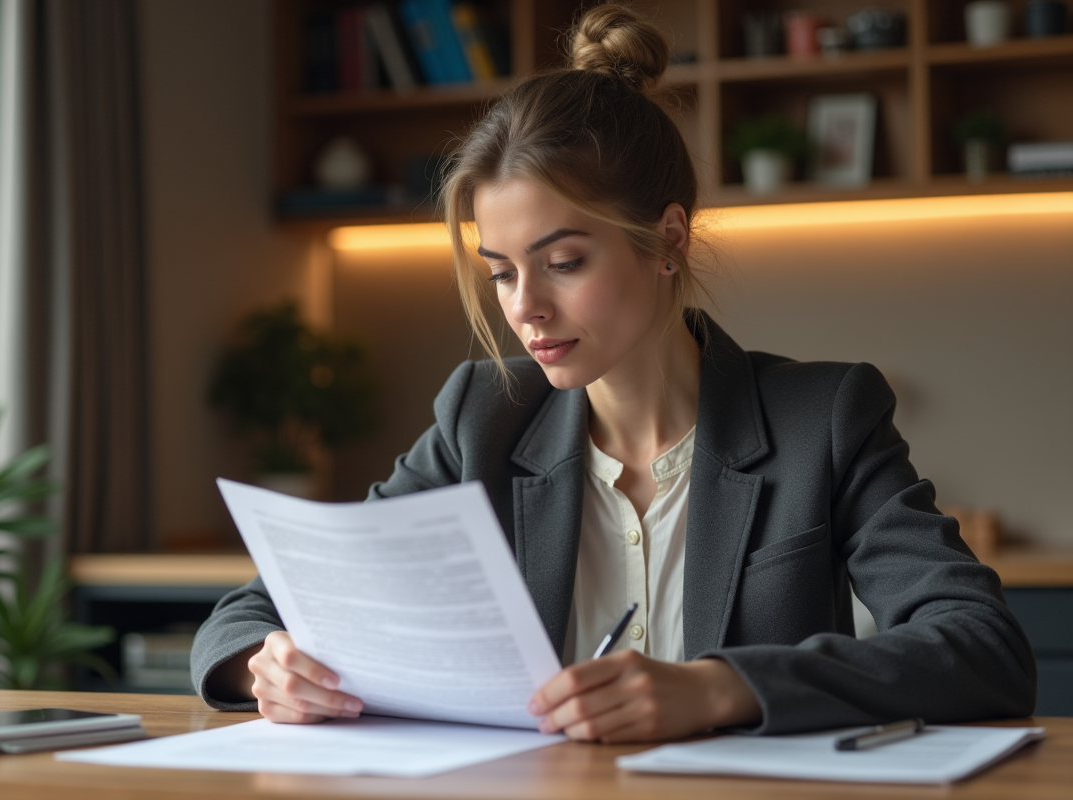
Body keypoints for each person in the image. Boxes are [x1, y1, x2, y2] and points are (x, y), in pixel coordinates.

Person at [190, 5, 1035, 742]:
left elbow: (980, 645)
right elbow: (254, 611)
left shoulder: (825, 417)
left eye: (562, 261)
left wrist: (720, 687)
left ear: (667, 238)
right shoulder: (484, 416)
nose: (526, 308)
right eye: (501, 270)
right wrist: (262, 667)